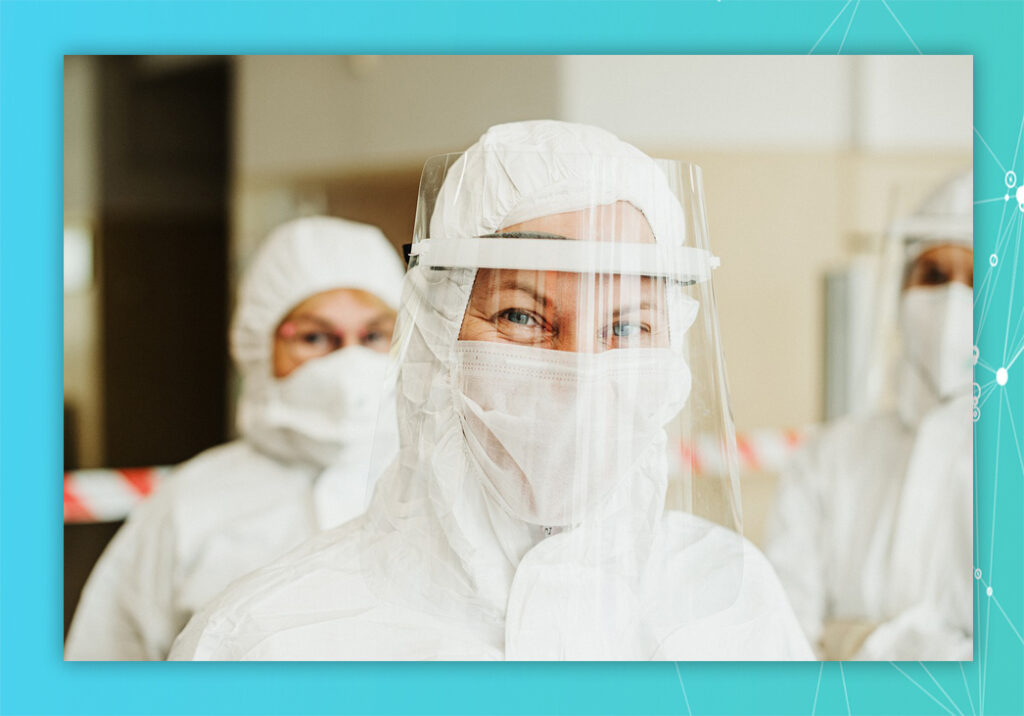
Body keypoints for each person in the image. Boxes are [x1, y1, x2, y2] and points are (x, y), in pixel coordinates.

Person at [170, 121, 812, 660]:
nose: (581, 372)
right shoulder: (271, 641)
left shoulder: (729, 599)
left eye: (625, 325)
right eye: (521, 317)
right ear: (436, 335)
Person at [65, 216, 406, 660]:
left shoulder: (441, 486)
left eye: (375, 335)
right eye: (315, 336)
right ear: (259, 346)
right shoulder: (188, 503)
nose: (348, 362)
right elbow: (105, 668)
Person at [764, 171, 973, 660]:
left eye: (978, 280)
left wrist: (854, 641)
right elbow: (781, 641)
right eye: (934, 276)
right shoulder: (827, 459)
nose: (952, 302)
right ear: (901, 289)